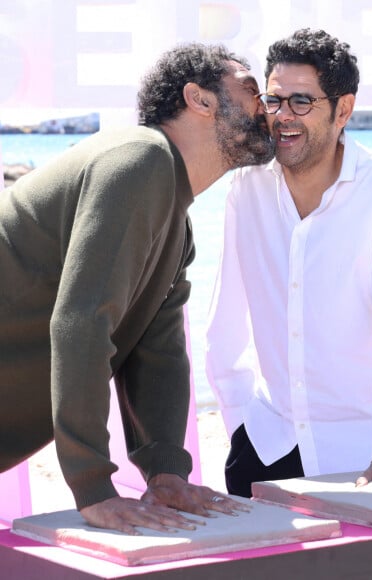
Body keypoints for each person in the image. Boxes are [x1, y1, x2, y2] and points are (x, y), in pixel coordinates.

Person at [0, 42, 275, 534]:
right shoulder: (139, 159)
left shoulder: (176, 216)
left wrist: (166, 471)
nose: (267, 106)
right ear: (200, 99)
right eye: (252, 89)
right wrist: (93, 488)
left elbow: (158, 349)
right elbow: (82, 322)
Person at [206, 29, 372, 498]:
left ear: (344, 110)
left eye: (302, 101)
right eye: (274, 100)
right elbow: (225, 324)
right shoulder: (245, 188)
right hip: (267, 446)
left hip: (369, 455)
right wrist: (239, 423)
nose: (282, 117)